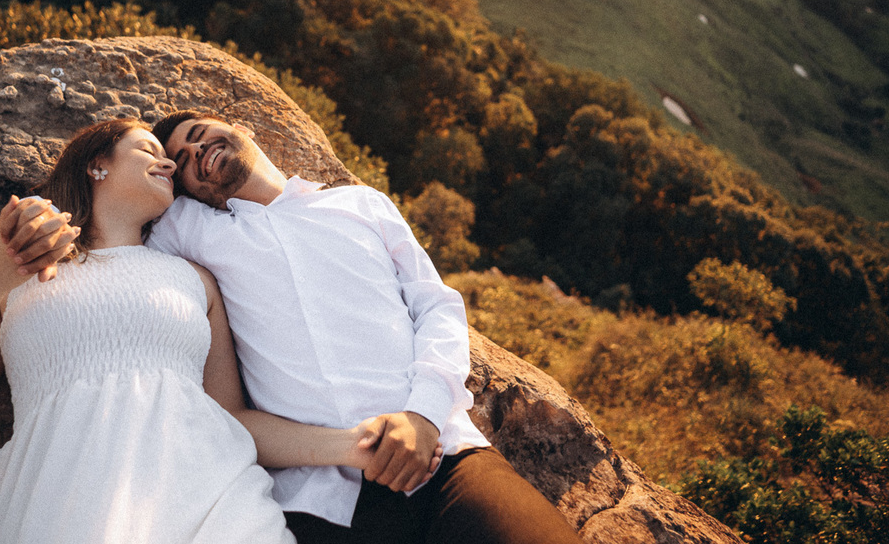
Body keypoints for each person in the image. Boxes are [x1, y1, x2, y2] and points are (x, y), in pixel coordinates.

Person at [0, 118, 420, 544]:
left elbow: (232, 418)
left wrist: (350, 445)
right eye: (148, 148)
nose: (169, 162)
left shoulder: (195, 279)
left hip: (215, 503)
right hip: (66, 499)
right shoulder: (22, 277)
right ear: (96, 164)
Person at [141, 110, 584, 544]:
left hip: (442, 456)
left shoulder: (359, 202)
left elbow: (437, 306)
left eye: (199, 134)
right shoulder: (191, 231)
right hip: (319, 496)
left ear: (241, 127)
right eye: (181, 161)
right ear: (188, 192)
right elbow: (119, 233)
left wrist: (424, 414)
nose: (196, 150)